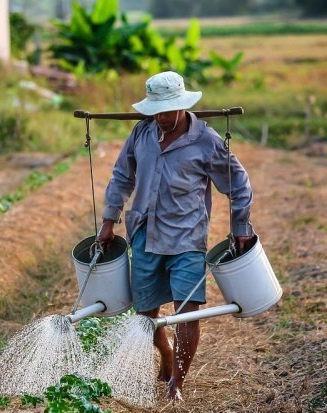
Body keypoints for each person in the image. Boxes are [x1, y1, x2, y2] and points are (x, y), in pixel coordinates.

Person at [97, 71, 255, 401]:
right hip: (144, 235)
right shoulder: (141, 133)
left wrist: (240, 227)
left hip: (187, 239)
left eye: (167, 111)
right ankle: (166, 354)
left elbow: (238, 185)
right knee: (145, 315)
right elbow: (121, 177)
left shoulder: (206, 141)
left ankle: (176, 385)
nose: (162, 117)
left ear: (182, 106)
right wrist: (109, 220)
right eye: (156, 111)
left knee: (187, 311)